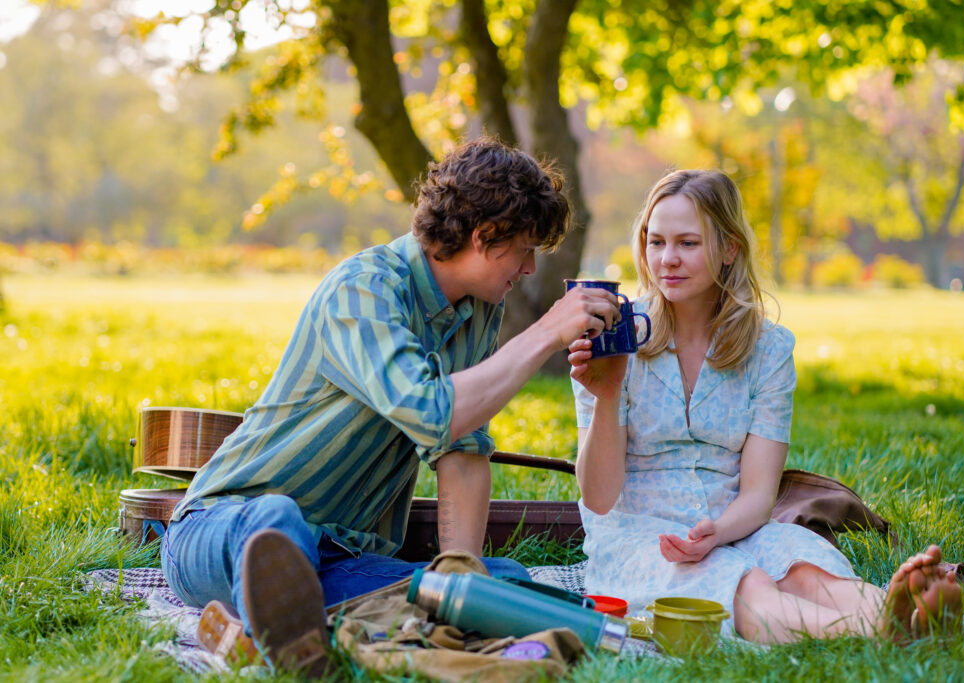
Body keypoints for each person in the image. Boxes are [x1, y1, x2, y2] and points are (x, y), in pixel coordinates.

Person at [160, 137, 622, 671]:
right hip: (226, 527)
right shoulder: (364, 289)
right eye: (524, 249)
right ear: (485, 236)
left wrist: (463, 584)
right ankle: (291, 627)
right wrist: (545, 333)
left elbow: (463, 453)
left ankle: (288, 633)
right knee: (276, 520)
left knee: (506, 586)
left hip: (342, 558)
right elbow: (429, 410)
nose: (527, 268)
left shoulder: (478, 312)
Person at [568, 169, 962, 645]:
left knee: (800, 566)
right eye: (656, 242)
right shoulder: (614, 340)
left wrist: (718, 531)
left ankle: (907, 609)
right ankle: (883, 629)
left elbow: (758, 493)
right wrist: (605, 396)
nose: (666, 259)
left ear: (729, 248)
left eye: (688, 243)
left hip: (736, 524)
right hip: (639, 537)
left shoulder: (768, 349)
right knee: (746, 583)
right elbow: (599, 498)